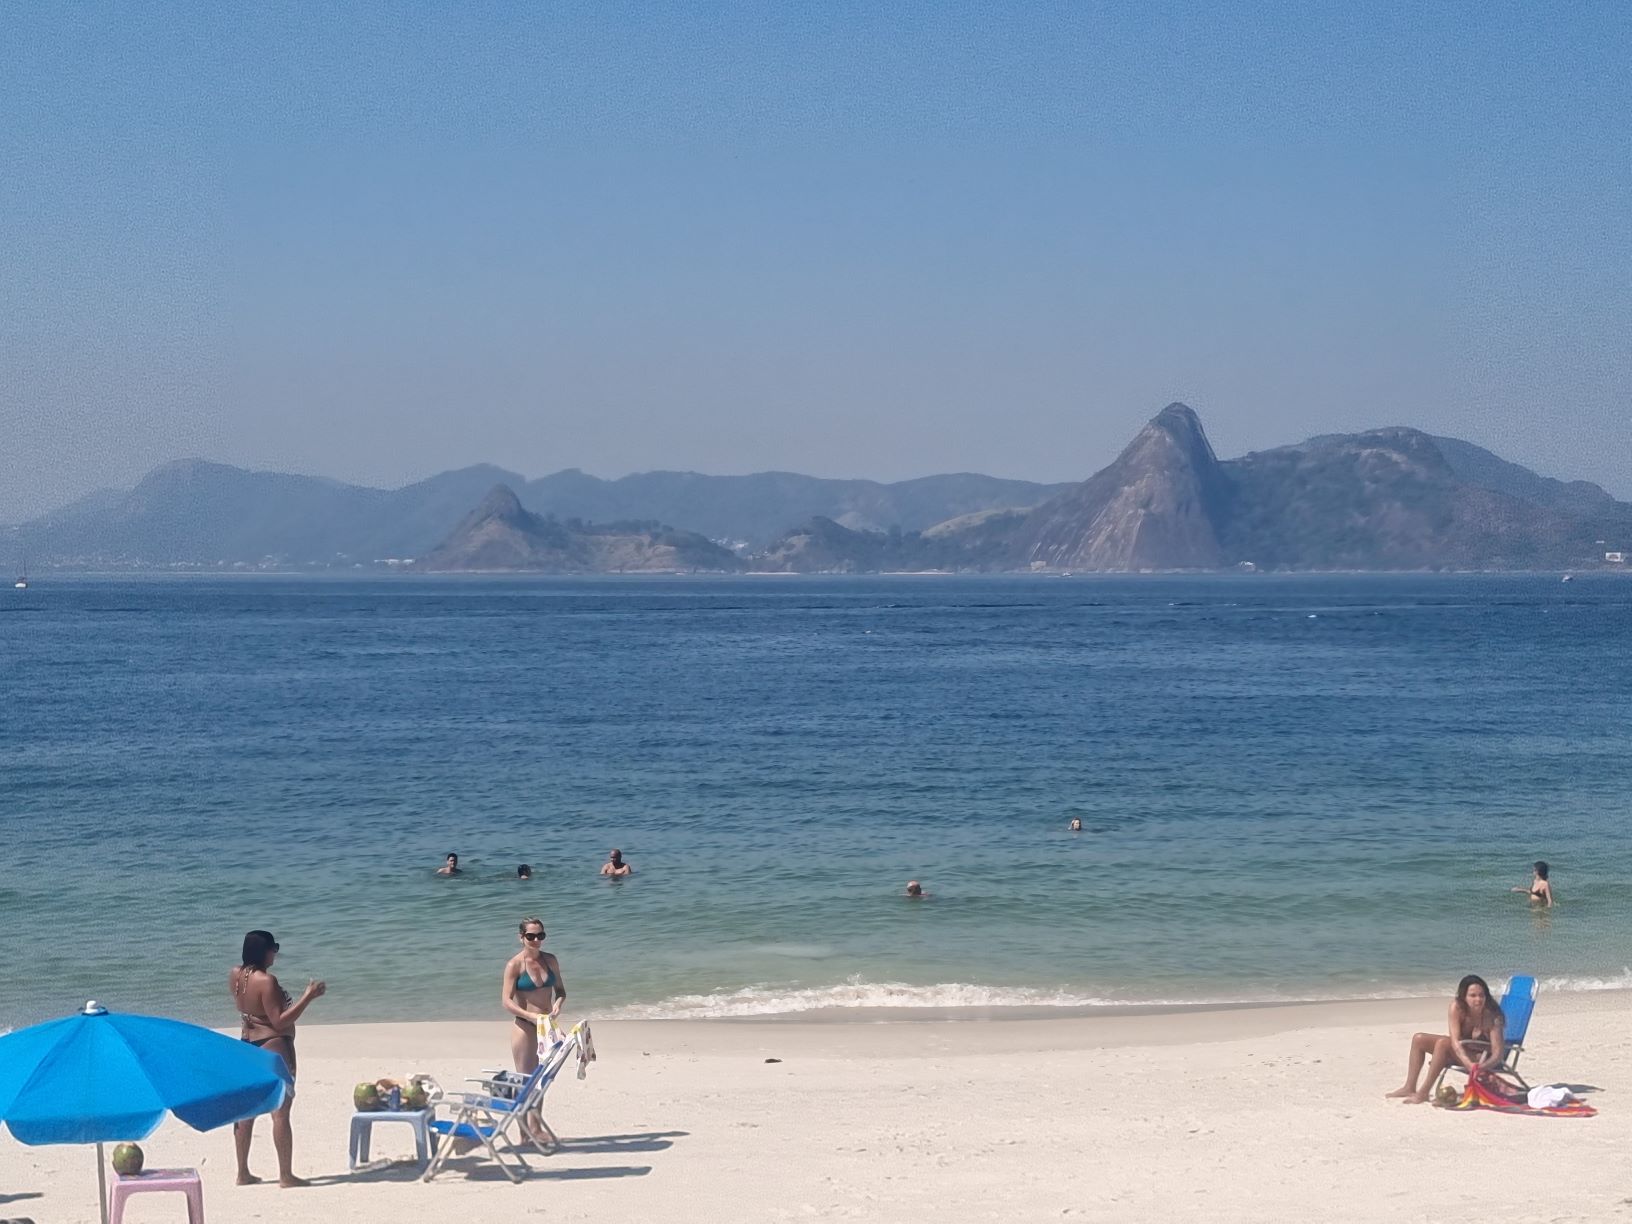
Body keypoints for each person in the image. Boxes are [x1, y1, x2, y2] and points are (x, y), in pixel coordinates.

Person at [229, 930, 325, 1187]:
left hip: (247, 1046)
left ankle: (243, 1173)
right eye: (274, 948)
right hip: (273, 1047)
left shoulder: (237, 974)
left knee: (246, 1111)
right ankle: (285, 1175)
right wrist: (309, 996)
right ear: (264, 952)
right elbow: (279, 1021)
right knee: (280, 1112)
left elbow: (251, 1010)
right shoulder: (267, 981)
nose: (276, 953)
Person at [1386, 974, 1505, 1104]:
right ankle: (1409, 1087)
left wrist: (1480, 1067)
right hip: (1463, 1052)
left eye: (1481, 995)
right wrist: (1466, 1062)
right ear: (1463, 996)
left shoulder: (1492, 1015)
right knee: (1418, 1039)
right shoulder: (1457, 1008)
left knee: (1443, 1043)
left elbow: (1498, 1053)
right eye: (1473, 995)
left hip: (1482, 1058)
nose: (1478, 999)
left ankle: (1423, 1093)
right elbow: (1455, 1040)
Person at [500, 917, 566, 1075]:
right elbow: (506, 1001)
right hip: (525, 1028)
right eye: (530, 936)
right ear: (521, 937)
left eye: (540, 936)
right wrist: (530, 1016)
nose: (536, 940)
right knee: (527, 1082)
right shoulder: (514, 965)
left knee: (542, 1083)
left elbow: (561, 991)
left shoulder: (550, 960)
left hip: (547, 1027)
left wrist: (558, 1004)